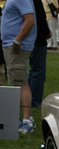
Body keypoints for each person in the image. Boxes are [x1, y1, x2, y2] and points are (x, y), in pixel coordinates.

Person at [1, 0, 37, 134]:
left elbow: (30, 20)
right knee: (19, 82)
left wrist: (17, 40)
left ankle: (27, 120)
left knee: (20, 82)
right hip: (12, 45)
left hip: (17, 46)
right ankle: (27, 118)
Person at [29, 0, 51, 109]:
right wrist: (46, 32)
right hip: (38, 39)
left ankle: (28, 97)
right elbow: (40, 17)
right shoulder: (36, 2)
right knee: (38, 71)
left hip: (28, 39)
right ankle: (34, 100)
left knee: (32, 71)